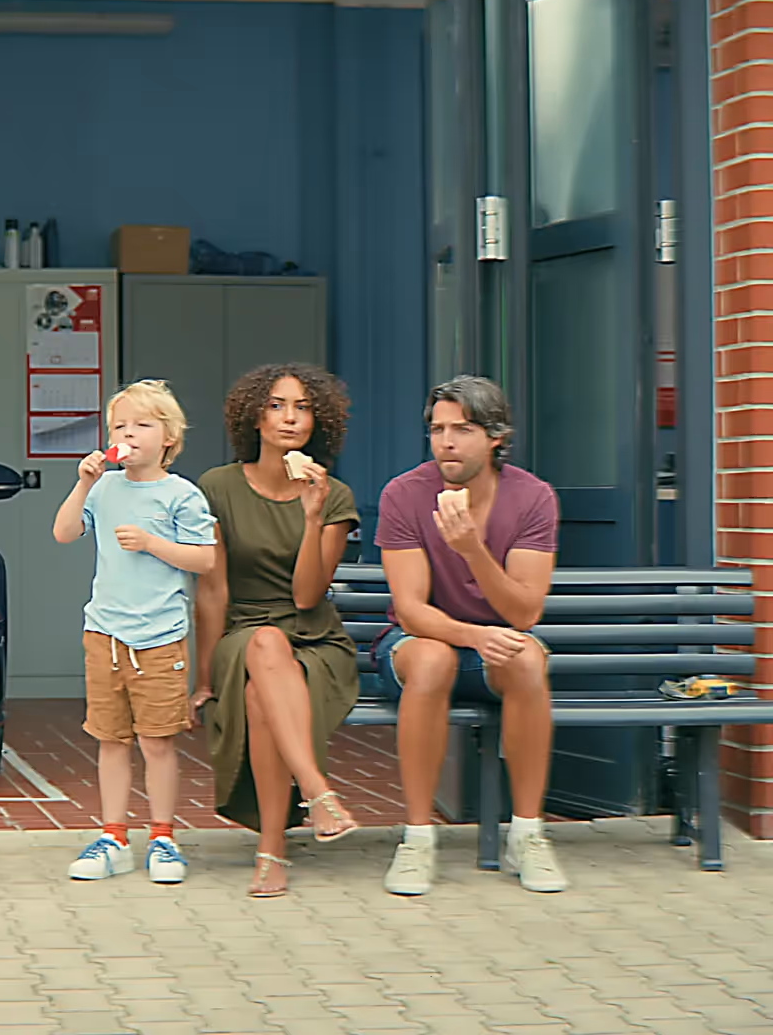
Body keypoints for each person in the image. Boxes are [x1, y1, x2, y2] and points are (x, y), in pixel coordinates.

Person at [374, 375, 566, 896]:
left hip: (496, 646)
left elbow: (524, 612)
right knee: (435, 659)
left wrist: (471, 550)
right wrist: (474, 635)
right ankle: (417, 838)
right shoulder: (405, 494)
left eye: (462, 429)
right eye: (437, 429)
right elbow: (411, 611)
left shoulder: (533, 498)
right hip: (418, 644)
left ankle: (527, 834)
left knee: (528, 658)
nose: (446, 442)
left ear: (496, 437)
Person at [193, 364, 362, 898]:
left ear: (319, 422)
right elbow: (214, 591)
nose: (290, 417)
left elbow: (309, 596)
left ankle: (272, 855)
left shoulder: (333, 495)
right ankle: (317, 792)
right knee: (263, 646)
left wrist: (312, 519)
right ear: (254, 418)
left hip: (314, 641)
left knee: (262, 695)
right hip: (244, 633)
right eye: (276, 405)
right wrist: (203, 679)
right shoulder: (216, 487)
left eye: (303, 407)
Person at [53, 379, 217, 884]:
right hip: (104, 633)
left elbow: (206, 559)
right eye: (120, 425)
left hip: (161, 636)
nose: (129, 434)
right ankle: (113, 836)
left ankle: (164, 837)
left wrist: (152, 543)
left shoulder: (181, 494)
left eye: (142, 425)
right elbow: (63, 532)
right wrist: (83, 483)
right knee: (110, 739)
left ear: (169, 437)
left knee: (159, 741)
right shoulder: (103, 488)